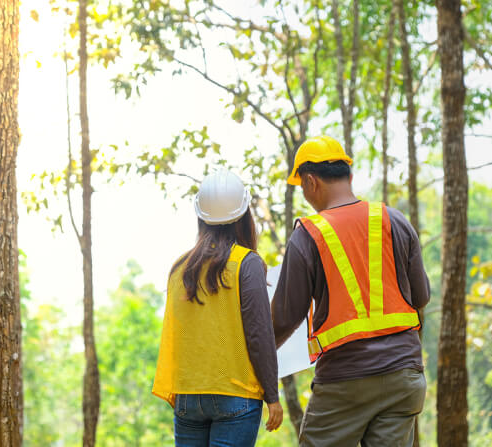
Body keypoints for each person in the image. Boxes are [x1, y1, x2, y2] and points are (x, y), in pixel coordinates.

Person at [271, 136, 430, 447]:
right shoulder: (393, 219)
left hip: (345, 381)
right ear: (350, 176)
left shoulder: (308, 235)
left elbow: (284, 318)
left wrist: (256, 366)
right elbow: (421, 297)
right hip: (404, 377)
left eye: (302, 187)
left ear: (311, 181)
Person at [153, 169, 283, 447]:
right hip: (236, 396)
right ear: (244, 216)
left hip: (188, 395)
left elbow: (178, 335)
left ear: (201, 217)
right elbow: (259, 334)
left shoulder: (180, 268)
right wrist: (272, 396)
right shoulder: (246, 264)